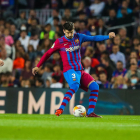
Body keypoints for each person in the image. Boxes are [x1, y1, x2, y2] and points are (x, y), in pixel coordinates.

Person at [32, 21, 115, 117]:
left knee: (95, 87)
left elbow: (94, 38)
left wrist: (107, 36)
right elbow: (47, 54)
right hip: (69, 70)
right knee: (74, 86)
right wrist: (38, 66)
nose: (70, 34)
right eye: (67, 32)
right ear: (64, 31)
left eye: (71, 32)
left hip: (80, 70)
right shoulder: (59, 42)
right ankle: (60, 109)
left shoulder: (78, 37)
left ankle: (90, 112)